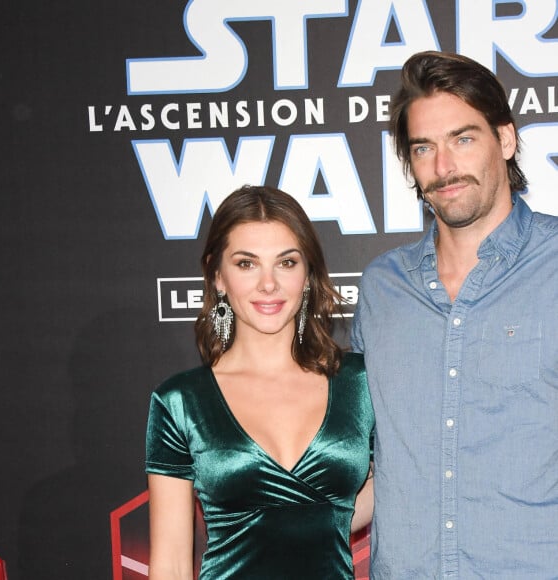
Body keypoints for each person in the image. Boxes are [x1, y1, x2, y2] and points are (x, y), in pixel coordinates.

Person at [351, 50, 558, 579]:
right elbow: (369, 465)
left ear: (506, 141)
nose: (444, 168)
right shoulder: (382, 289)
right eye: (424, 148)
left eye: (463, 139)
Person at [146, 185, 375, 579]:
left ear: (307, 275)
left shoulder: (360, 383)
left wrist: (322, 516)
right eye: (247, 264)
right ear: (218, 276)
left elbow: (388, 489)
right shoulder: (181, 402)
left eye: (286, 263)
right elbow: (170, 563)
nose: (268, 284)